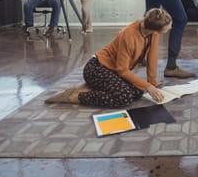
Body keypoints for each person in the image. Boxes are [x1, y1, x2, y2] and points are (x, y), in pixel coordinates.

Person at [44, 7, 172, 107]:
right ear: (155, 30)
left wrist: (151, 81)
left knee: (139, 90)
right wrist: (148, 86)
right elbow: (122, 70)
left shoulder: (152, 31)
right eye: (167, 28)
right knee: (124, 97)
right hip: (96, 69)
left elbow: (152, 55)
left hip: (114, 71)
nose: (169, 29)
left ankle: (91, 87)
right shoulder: (129, 35)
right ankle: (76, 96)